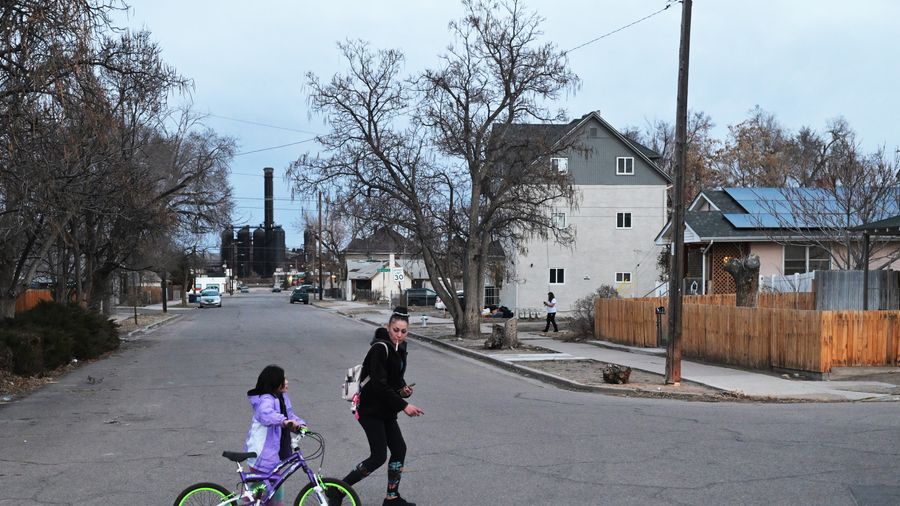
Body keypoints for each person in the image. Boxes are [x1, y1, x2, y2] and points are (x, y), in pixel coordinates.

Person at [328, 306, 424, 506]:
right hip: (370, 409)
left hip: (385, 409)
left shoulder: (400, 348)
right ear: (388, 327)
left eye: (403, 331)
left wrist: (403, 389)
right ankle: (337, 489)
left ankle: (392, 497)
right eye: (395, 330)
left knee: (399, 449)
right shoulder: (380, 348)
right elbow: (379, 384)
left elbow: (394, 379)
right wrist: (404, 405)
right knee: (378, 455)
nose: (399, 334)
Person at [244, 365, 305, 506]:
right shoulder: (266, 399)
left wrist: (301, 425)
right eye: (284, 379)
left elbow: (289, 416)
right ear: (275, 382)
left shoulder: (282, 397)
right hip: (262, 454)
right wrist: (284, 422)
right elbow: (267, 415)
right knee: (270, 495)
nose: (287, 381)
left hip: (272, 454)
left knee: (259, 495)